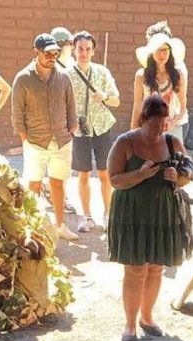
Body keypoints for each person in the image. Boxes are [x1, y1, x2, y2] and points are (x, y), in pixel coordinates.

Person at [108, 94, 193, 341]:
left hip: (162, 212)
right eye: (156, 124)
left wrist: (176, 177)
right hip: (133, 212)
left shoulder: (173, 142)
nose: (161, 129)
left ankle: (147, 318)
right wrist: (140, 174)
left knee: (156, 267)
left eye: (164, 124)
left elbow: (189, 173)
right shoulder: (125, 142)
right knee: (135, 269)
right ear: (143, 119)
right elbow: (114, 179)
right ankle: (129, 324)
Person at [13, 33, 79, 240]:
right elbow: (17, 113)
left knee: (58, 183)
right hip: (35, 141)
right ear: (36, 52)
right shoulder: (23, 78)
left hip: (61, 140)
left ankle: (60, 225)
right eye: (48, 53)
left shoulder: (63, 76)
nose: (52, 57)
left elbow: (71, 107)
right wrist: (25, 140)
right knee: (33, 185)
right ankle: (35, 228)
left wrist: (71, 130)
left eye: (55, 53)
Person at [69, 30, 120, 233]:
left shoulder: (102, 72)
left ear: (93, 51)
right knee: (82, 174)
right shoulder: (66, 75)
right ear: (73, 49)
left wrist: (105, 96)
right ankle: (86, 215)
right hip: (80, 130)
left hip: (101, 127)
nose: (84, 53)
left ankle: (108, 214)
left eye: (88, 49)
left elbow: (117, 100)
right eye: (80, 49)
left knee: (105, 174)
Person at [133, 22, 189, 141]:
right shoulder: (141, 76)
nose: (161, 54)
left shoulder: (178, 74)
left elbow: (183, 107)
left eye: (165, 50)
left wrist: (173, 121)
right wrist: (132, 134)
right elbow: (137, 107)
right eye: (157, 50)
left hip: (174, 128)